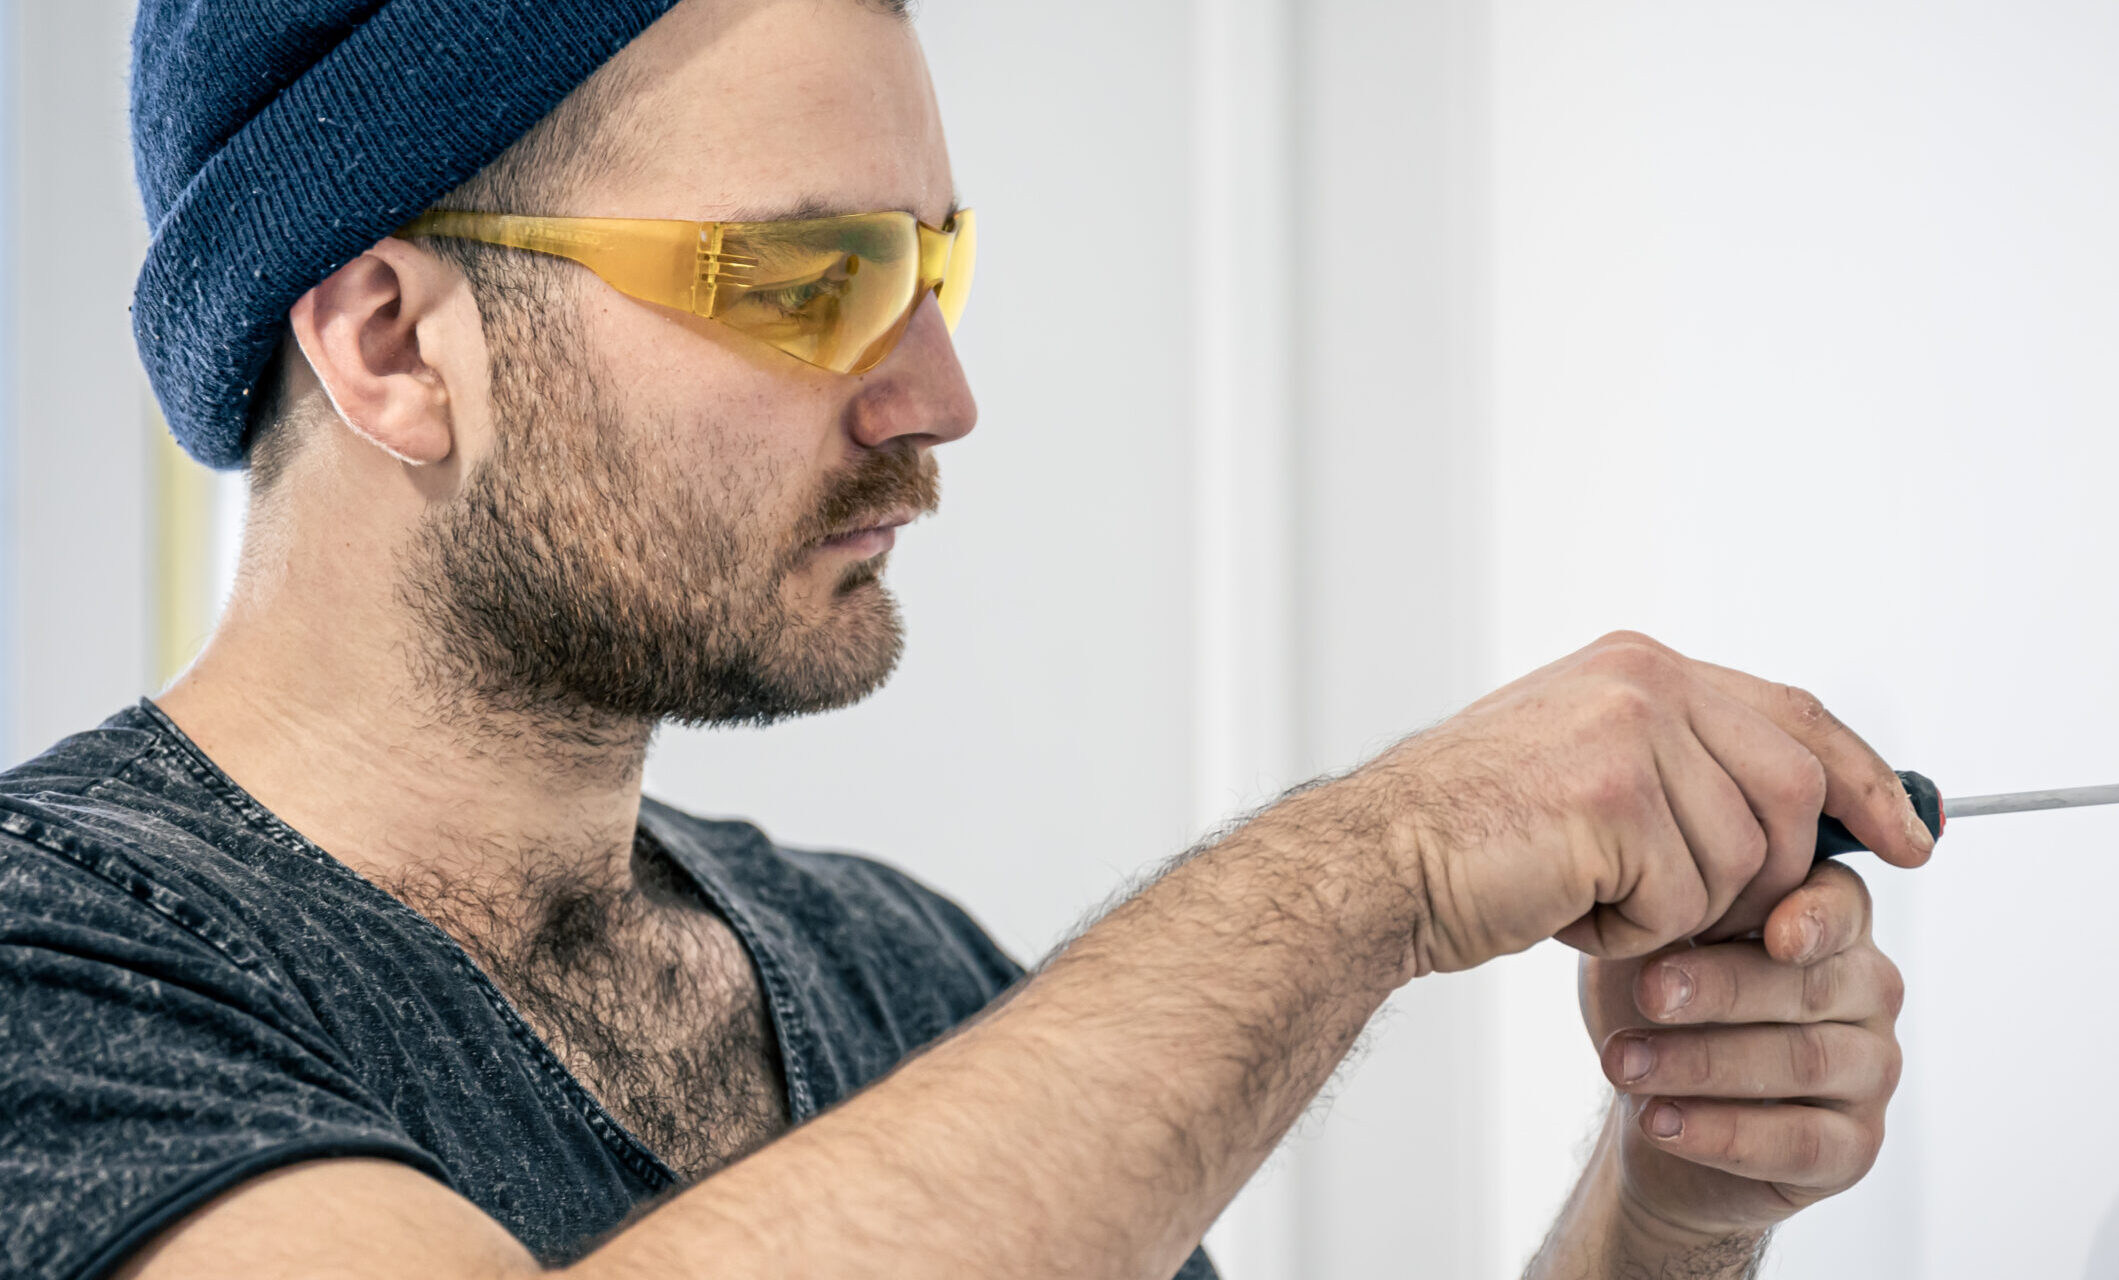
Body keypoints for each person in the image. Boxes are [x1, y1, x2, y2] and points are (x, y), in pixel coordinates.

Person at [0, 1, 1936, 1276]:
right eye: (813, 276)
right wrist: (1383, 857)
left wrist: (1661, 1211)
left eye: (931, 269)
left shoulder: (893, 978)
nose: (936, 391)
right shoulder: (54, 974)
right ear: (391, 345)